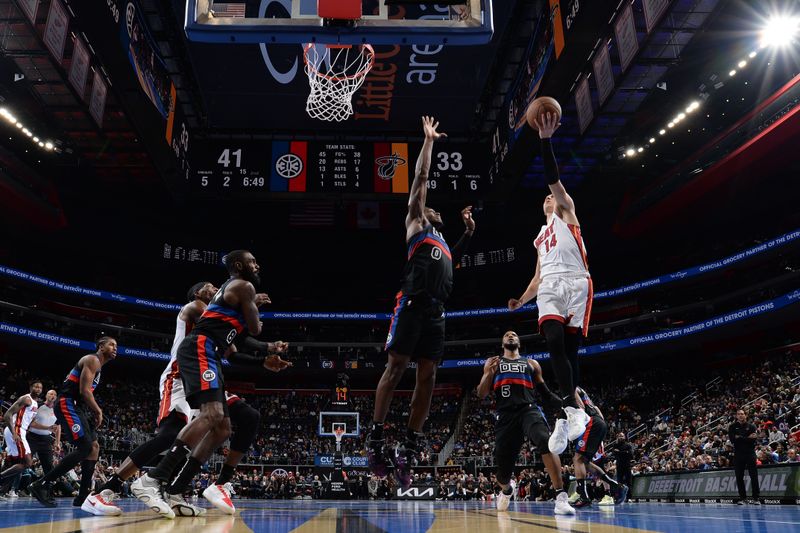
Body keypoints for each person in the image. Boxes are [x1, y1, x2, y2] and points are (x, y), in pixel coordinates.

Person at [133, 251, 291, 517]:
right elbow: (254, 329)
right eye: (253, 262)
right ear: (240, 266)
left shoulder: (232, 294)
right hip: (199, 349)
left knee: (223, 429)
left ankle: (175, 489)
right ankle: (152, 479)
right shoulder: (244, 286)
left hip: (210, 352)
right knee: (212, 415)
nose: (258, 265)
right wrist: (252, 306)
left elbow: (236, 340)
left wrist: (265, 349)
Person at [367, 116, 476, 488]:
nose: (436, 210)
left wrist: (468, 232)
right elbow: (421, 181)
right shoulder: (416, 222)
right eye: (432, 209)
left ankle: (410, 447)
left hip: (437, 312)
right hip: (411, 303)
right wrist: (429, 142)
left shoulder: (444, 243)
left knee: (427, 377)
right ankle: (376, 436)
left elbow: (451, 262)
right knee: (396, 368)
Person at [508, 110, 592, 454]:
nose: (548, 198)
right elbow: (538, 276)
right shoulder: (540, 237)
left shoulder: (568, 213)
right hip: (550, 287)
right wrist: (522, 300)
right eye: (545, 198)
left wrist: (545, 140)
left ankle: (565, 414)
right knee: (554, 341)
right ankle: (572, 409)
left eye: (551, 196)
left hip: (577, 283)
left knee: (569, 355)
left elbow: (553, 176)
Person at [476, 331, 575, 515]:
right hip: (505, 416)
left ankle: (561, 497)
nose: (511, 336)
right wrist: (489, 373)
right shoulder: (493, 363)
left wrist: (568, 405)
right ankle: (506, 490)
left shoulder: (531, 364)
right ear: (502, 342)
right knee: (503, 472)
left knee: (546, 441)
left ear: (519, 342)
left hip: (528, 410)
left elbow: (545, 394)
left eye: (514, 334)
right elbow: (481, 393)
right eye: (506, 335)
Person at [28, 337, 121, 516]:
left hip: (77, 406)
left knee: (94, 447)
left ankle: (83, 495)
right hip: (67, 402)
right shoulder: (92, 359)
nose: (115, 348)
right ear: (101, 347)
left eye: (116, 346)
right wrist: (98, 411)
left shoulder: (98, 366)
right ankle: (41, 484)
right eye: (111, 344)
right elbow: (84, 391)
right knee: (85, 447)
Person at [568, 386, 628, 508]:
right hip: (598, 423)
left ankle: (584, 497)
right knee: (584, 463)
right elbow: (596, 409)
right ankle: (616, 486)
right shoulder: (582, 392)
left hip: (591, 424)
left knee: (578, 459)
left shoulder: (571, 388)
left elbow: (582, 409)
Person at [0, 378, 42, 495]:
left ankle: (3, 490)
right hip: (16, 430)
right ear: (31, 388)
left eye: (40, 387)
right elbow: (8, 414)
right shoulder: (26, 399)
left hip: (21, 431)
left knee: (15, 463)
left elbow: (29, 422)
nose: (38, 389)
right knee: (27, 463)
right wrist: (14, 433)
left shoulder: (36, 403)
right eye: (36, 386)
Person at [25, 389, 61, 480]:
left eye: (54, 394)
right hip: (32, 438)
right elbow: (31, 423)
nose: (52, 395)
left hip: (46, 440)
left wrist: (57, 442)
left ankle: (45, 490)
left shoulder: (57, 410)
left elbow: (58, 427)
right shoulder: (38, 405)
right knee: (24, 462)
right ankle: (13, 488)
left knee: (48, 466)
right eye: (50, 393)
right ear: (46, 396)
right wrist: (47, 428)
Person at [729, 409, 760, 505]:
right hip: (738, 454)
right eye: (738, 414)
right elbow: (733, 440)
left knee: (753, 476)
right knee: (739, 477)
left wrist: (740, 437)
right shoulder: (732, 427)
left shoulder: (752, 426)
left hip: (750, 453)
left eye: (742, 414)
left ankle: (756, 498)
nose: (740, 415)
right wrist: (747, 438)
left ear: (745, 415)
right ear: (736, 416)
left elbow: (753, 440)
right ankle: (743, 498)